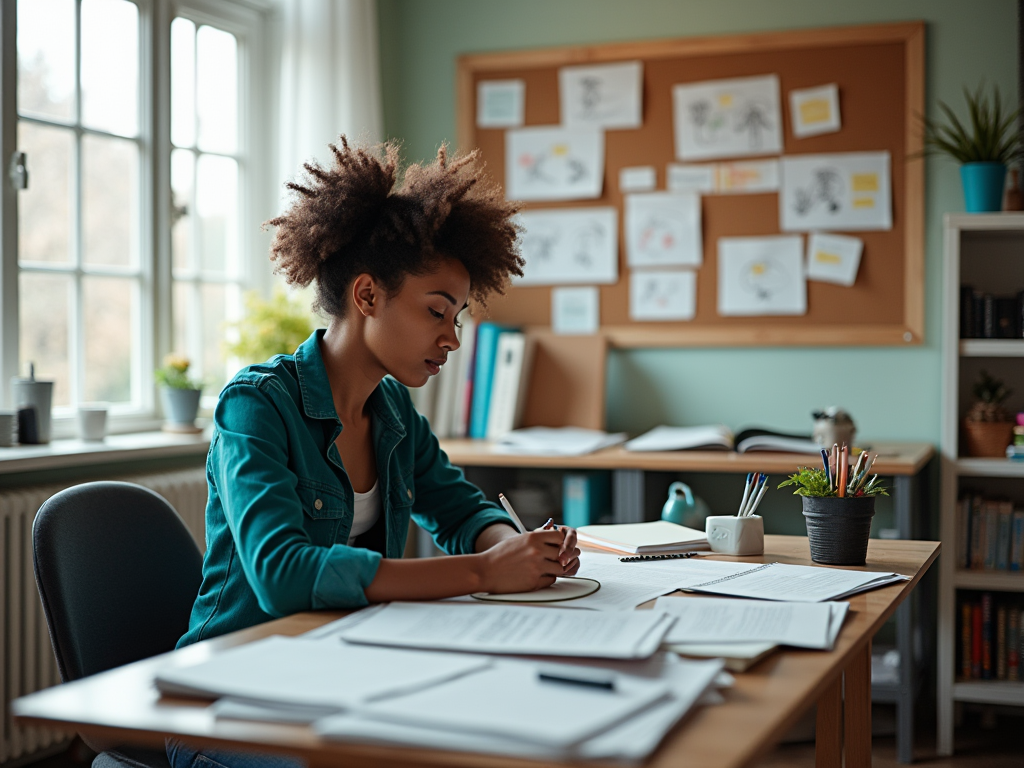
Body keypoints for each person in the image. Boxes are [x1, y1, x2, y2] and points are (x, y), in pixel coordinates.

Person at [167, 138, 580, 768]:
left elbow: (461, 511)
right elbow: (284, 575)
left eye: (459, 317)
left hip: (342, 674)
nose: (452, 338)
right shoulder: (255, 407)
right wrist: (483, 573)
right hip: (225, 704)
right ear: (366, 296)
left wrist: (517, 545)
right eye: (438, 311)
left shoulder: (393, 415)